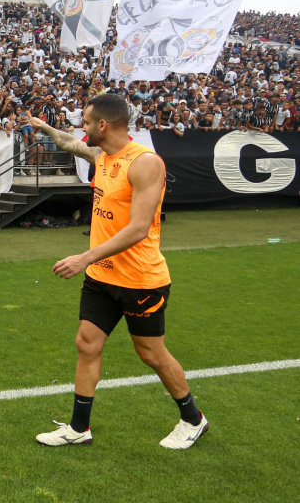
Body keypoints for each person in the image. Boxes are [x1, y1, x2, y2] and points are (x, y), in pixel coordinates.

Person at [25, 94, 208, 450]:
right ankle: (79, 428)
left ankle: (193, 419)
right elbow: (69, 142)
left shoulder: (144, 163)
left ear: (103, 126)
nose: (83, 128)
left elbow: (139, 228)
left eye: (87, 123)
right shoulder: (101, 154)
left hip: (140, 279)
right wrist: (45, 128)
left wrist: (84, 257)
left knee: (151, 354)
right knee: (86, 344)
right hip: (101, 278)